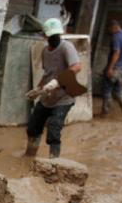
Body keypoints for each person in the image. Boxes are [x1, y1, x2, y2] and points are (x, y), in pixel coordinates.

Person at [24, 18, 82, 158]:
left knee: (54, 128)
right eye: (50, 35)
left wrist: (57, 82)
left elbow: (76, 66)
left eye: (55, 35)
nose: (53, 38)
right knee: (33, 126)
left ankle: (53, 162)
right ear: (45, 35)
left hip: (64, 97)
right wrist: (38, 89)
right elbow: (47, 73)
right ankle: (29, 155)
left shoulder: (66, 47)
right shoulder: (45, 51)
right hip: (47, 96)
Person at [101, 20, 122, 121]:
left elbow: (117, 52)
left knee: (107, 90)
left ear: (113, 27)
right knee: (119, 91)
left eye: (109, 29)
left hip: (115, 68)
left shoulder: (116, 37)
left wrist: (110, 68)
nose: (109, 32)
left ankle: (105, 113)